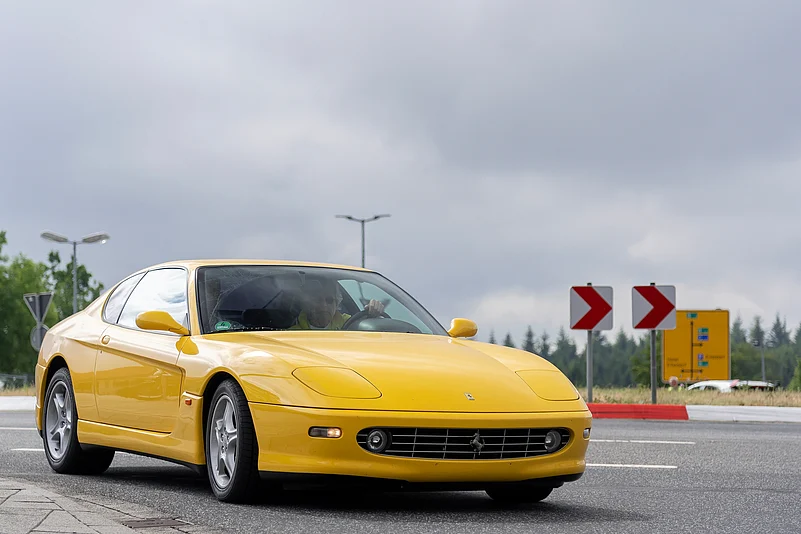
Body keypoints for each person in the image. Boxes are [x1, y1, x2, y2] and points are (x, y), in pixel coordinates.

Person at [291, 278, 385, 330]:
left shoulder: (350, 325)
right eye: (318, 300)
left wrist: (374, 313)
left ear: (336, 304)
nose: (324, 305)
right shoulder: (293, 333)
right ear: (307, 304)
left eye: (329, 300)